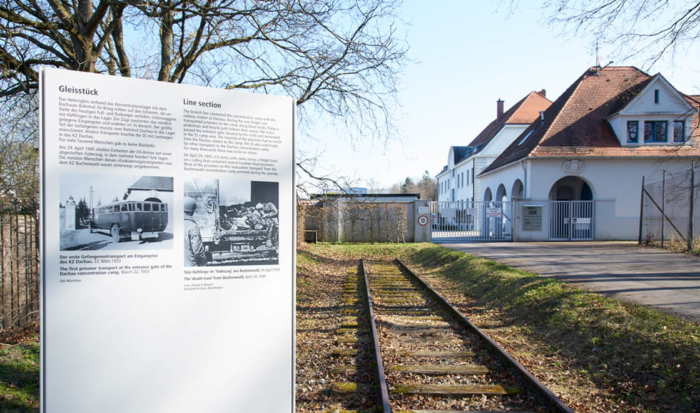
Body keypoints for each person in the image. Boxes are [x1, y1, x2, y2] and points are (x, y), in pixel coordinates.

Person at [184, 196, 207, 266]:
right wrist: (203, 264)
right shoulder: (192, 226)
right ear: (192, 211)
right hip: (189, 266)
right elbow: (198, 251)